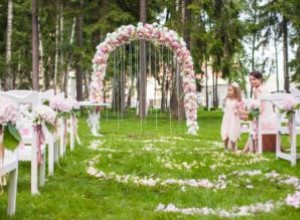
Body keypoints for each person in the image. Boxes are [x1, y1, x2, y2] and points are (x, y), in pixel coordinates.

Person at [242, 71, 277, 153]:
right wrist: (250, 115)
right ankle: (247, 149)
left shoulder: (261, 90)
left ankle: (245, 150)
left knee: (253, 124)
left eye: (254, 79)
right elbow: (255, 106)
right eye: (250, 80)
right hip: (265, 117)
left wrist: (250, 116)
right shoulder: (256, 89)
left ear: (260, 79)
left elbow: (262, 109)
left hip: (265, 118)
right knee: (252, 121)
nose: (252, 82)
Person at [221, 83, 243, 152]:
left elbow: (240, 108)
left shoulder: (237, 100)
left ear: (235, 91)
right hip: (227, 118)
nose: (228, 92)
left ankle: (233, 148)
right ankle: (225, 147)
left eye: (230, 90)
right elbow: (224, 107)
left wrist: (237, 110)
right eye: (228, 90)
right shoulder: (226, 99)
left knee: (233, 131)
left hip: (233, 118)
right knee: (225, 131)